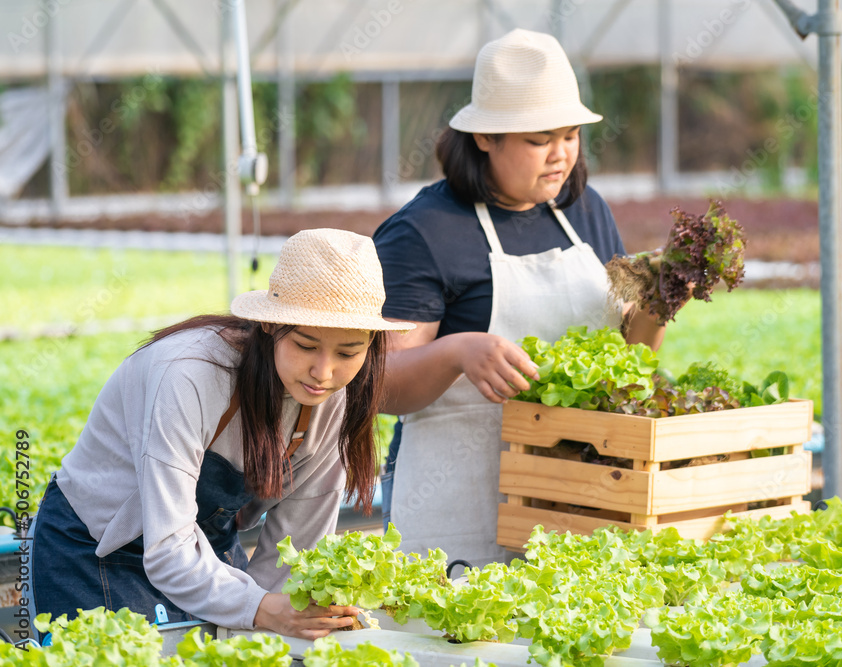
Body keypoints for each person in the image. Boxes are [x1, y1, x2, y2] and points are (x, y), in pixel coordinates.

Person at [374, 29, 667, 567]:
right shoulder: (425, 231)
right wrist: (459, 351)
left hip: (576, 496)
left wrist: (660, 304)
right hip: (457, 500)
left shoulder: (586, 211)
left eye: (571, 136)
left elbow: (628, 359)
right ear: (486, 137)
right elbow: (382, 383)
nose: (560, 156)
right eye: (539, 139)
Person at [30, 229, 414, 638]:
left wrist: (278, 620)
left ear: (370, 344)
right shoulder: (188, 374)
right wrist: (261, 608)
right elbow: (168, 552)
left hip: (203, 549)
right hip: (95, 547)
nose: (324, 372)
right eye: (305, 345)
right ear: (270, 325)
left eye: (347, 353)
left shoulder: (334, 398)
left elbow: (294, 557)